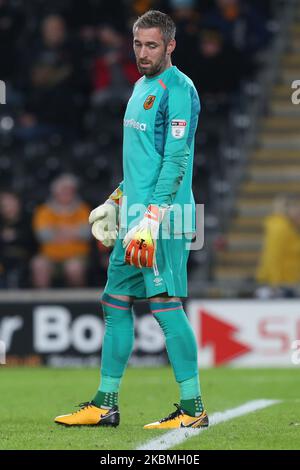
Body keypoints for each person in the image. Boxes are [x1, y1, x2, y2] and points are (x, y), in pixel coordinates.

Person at [54, 10, 208, 430]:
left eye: (152, 45)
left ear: (171, 45)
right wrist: (116, 198)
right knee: (114, 302)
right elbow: (143, 162)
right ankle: (105, 404)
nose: (143, 53)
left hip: (163, 219)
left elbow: (176, 160)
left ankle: (193, 409)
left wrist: (152, 218)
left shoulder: (179, 89)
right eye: (138, 44)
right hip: (136, 219)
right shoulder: (140, 86)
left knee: (164, 305)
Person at [31, 174, 91, 288]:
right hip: (50, 255)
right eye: (63, 190)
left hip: (77, 255)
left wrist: (57, 231)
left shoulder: (83, 209)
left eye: (69, 190)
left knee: (74, 267)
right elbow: (43, 235)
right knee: (38, 264)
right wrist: (73, 232)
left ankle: (79, 302)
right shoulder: (44, 211)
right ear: (55, 192)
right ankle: (42, 300)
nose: (66, 193)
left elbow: (86, 234)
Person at [256, 194, 300, 297]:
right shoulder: (280, 228)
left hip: (286, 282)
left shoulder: (288, 227)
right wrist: (274, 284)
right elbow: (273, 256)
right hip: (280, 286)